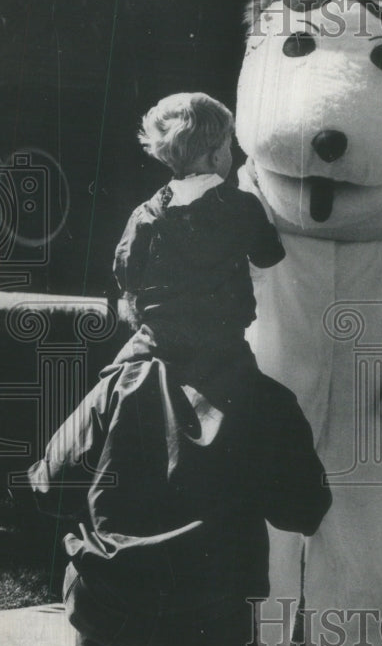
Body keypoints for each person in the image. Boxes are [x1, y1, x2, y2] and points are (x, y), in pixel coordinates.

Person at [28, 340, 330, 646]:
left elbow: (48, 488)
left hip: (109, 604)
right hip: (207, 614)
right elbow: (304, 512)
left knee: (97, 542)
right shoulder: (269, 399)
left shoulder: (120, 383)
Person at [113, 91, 286, 408]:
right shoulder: (244, 208)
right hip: (223, 354)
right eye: (227, 145)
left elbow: (127, 278)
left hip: (156, 352)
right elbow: (269, 256)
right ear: (216, 155)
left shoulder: (144, 215)